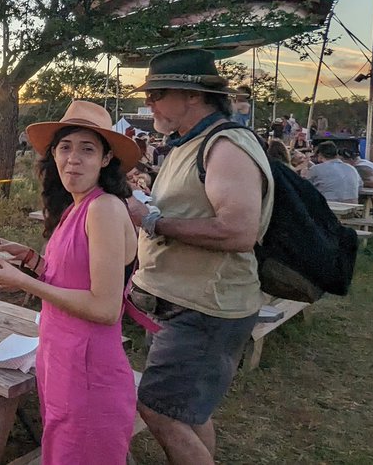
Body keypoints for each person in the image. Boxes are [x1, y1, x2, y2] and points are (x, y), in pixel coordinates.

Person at [123, 49, 274, 465]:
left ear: (192, 95)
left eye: (158, 93)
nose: (150, 102)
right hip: (179, 303)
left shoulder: (225, 145)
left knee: (158, 408)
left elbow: (238, 231)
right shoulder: (187, 144)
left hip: (205, 308)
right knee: (186, 412)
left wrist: (153, 222)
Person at [0, 100, 139, 464]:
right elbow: (73, 276)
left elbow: (104, 307)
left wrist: (25, 283)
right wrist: (30, 259)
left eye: (88, 149)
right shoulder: (76, 205)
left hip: (89, 370)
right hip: (61, 361)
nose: (73, 158)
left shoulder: (103, 208)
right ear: (53, 155)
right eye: (65, 147)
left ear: (105, 159)